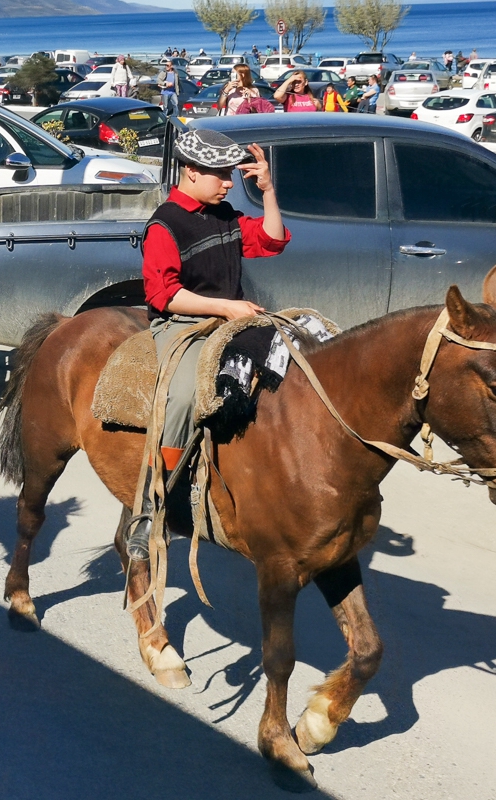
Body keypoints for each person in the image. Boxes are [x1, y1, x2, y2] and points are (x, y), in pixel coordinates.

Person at [127, 129, 289, 561]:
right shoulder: (164, 224)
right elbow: (163, 294)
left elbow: (272, 240)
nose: (229, 182)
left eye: (230, 175)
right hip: (181, 324)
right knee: (182, 397)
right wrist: (226, 308)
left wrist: (268, 190)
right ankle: (149, 508)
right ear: (192, 170)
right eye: (220, 174)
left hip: (229, 317)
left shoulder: (225, 215)